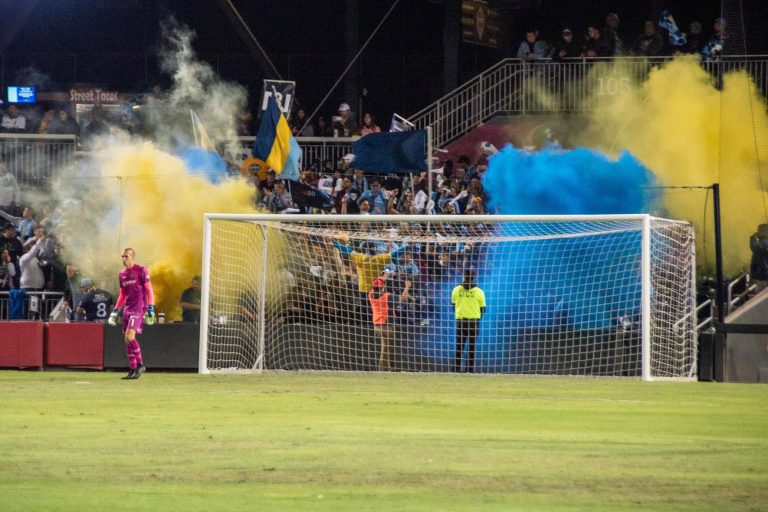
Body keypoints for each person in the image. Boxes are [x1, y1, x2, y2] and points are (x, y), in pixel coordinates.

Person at [108, 248, 155, 380]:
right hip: (127, 309)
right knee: (126, 340)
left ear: (133, 257)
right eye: (122, 256)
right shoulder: (121, 274)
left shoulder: (141, 270)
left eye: (126, 256)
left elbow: (149, 290)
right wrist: (115, 311)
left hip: (138, 308)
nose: (124, 259)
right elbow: (122, 295)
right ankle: (133, 369)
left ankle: (140, 365)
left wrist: (151, 307)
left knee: (130, 336)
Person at [452, 270, 486, 373]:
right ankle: (470, 370)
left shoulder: (456, 290)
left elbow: (453, 306)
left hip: (461, 322)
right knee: (471, 347)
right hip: (474, 322)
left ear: (463, 277)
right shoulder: (479, 291)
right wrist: (476, 317)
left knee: (459, 346)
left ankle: (456, 370)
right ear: (473, 277)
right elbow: (483, 309)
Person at [368, 277, 395, 371]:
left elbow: (375, 287)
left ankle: (390, 368)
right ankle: (382, 370)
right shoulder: (387, 296)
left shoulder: (370, 294)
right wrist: (407, 287)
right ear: (382, 287)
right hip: (386, 325)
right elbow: (402, 299)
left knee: (389, 347)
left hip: (377, 325)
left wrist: (383, 277)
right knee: (386, 348)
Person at [750, 224, 768, 293]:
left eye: (759, 231)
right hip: (763, 275)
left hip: (763, 275)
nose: (758, 233)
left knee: (760, 294)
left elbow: (754, 247)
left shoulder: (764, 243)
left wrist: (752, 238)